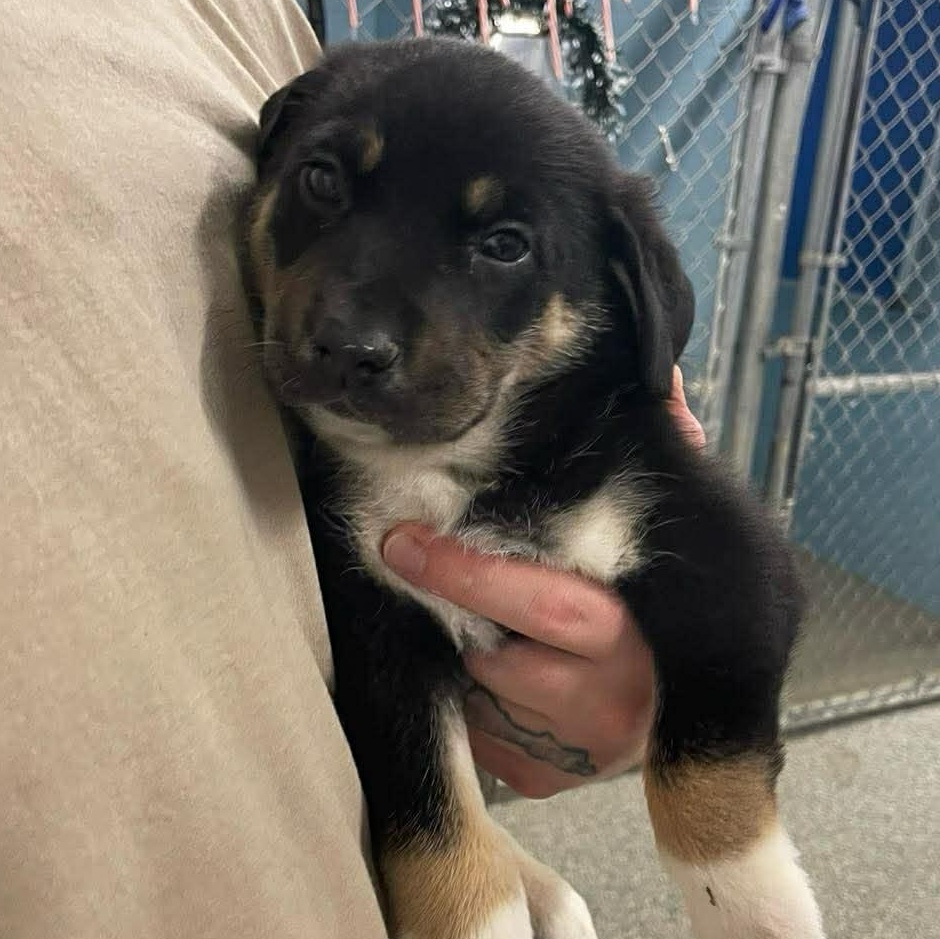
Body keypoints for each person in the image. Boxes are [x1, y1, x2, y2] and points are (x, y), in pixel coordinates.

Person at [0, 1, 703, 936]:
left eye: (501, 246)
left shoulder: (252, 20)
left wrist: (633, 649)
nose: (359, 330)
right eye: (325, 186)